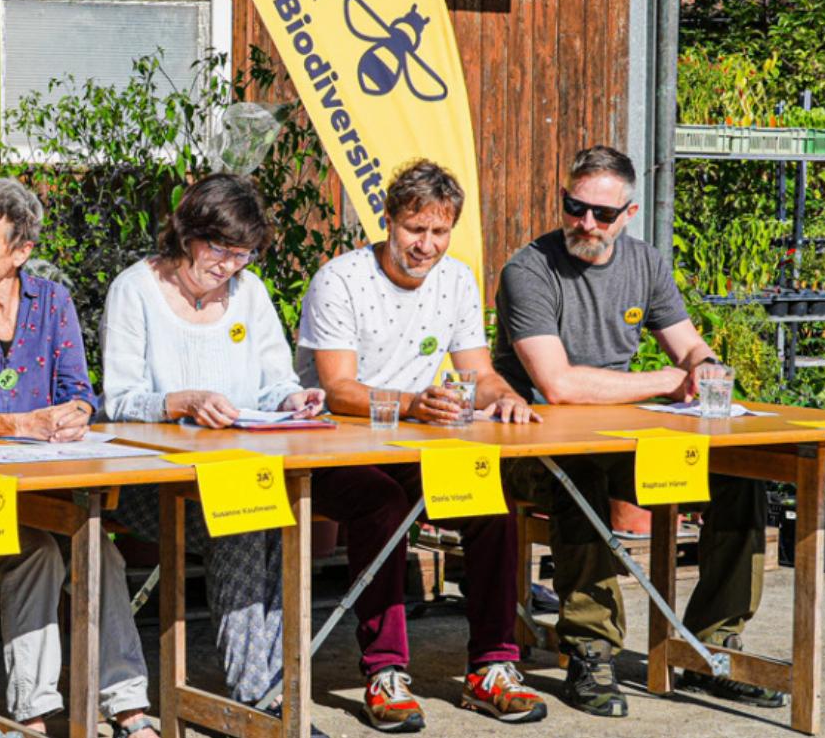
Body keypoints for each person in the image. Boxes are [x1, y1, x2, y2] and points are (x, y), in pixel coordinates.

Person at [493, 145, 776, 717]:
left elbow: (688, 343)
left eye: (601, 214)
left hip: (622, 439)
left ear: (629, 214)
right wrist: (670, 381)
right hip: (536, 443)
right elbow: (559, 384)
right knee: (579, 479)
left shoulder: (645, 263)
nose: (585, 224)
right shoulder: (530, 269)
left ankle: (709, 646)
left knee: (741, 476)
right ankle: (590, 652)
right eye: (574, 208)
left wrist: (704, 366)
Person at [295, 160, 545, 731]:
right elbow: (337, 389)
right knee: (381, 505)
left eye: (438, 231)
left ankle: (491, 668)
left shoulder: (456, 278)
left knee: (491, 504)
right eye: (414, 229)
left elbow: (477, 371)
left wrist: (504, 395)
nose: (426, 245)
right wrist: (414, 403)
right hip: (333, 448)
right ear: (388, 221)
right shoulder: (340, 279)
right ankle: (385, 673)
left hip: (418, 446)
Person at [0, 179, 160, 738]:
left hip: (40, 490)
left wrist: (72, 415)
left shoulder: (53, 301)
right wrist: (23, 424)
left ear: (21, 252)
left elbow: (80, 391)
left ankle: (128, 705)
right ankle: (35, 714)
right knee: (40, 553)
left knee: (101, 553)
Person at [102, 172, 323, 713]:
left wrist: (295, 401)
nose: (229, 266)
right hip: (152, 482)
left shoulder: (249, 293)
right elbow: (118, 399)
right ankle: (260, 701)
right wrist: (179, 401)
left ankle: (274, 691)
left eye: (242, 254)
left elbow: (275, 381)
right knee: (249, 521)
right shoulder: (136, 290)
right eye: (219, 250)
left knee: (279, 520)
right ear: (186, 233)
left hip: (239, 471)